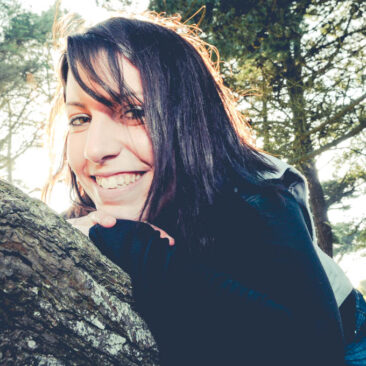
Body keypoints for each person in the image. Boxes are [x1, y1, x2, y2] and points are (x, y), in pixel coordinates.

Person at [48, 12, 366, 366]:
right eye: (81, 119)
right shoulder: (82, 217)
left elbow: (312, 350)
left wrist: (140, 249)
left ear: (190, 119)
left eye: (135, 112)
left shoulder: (258, 196)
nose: (95, 149)